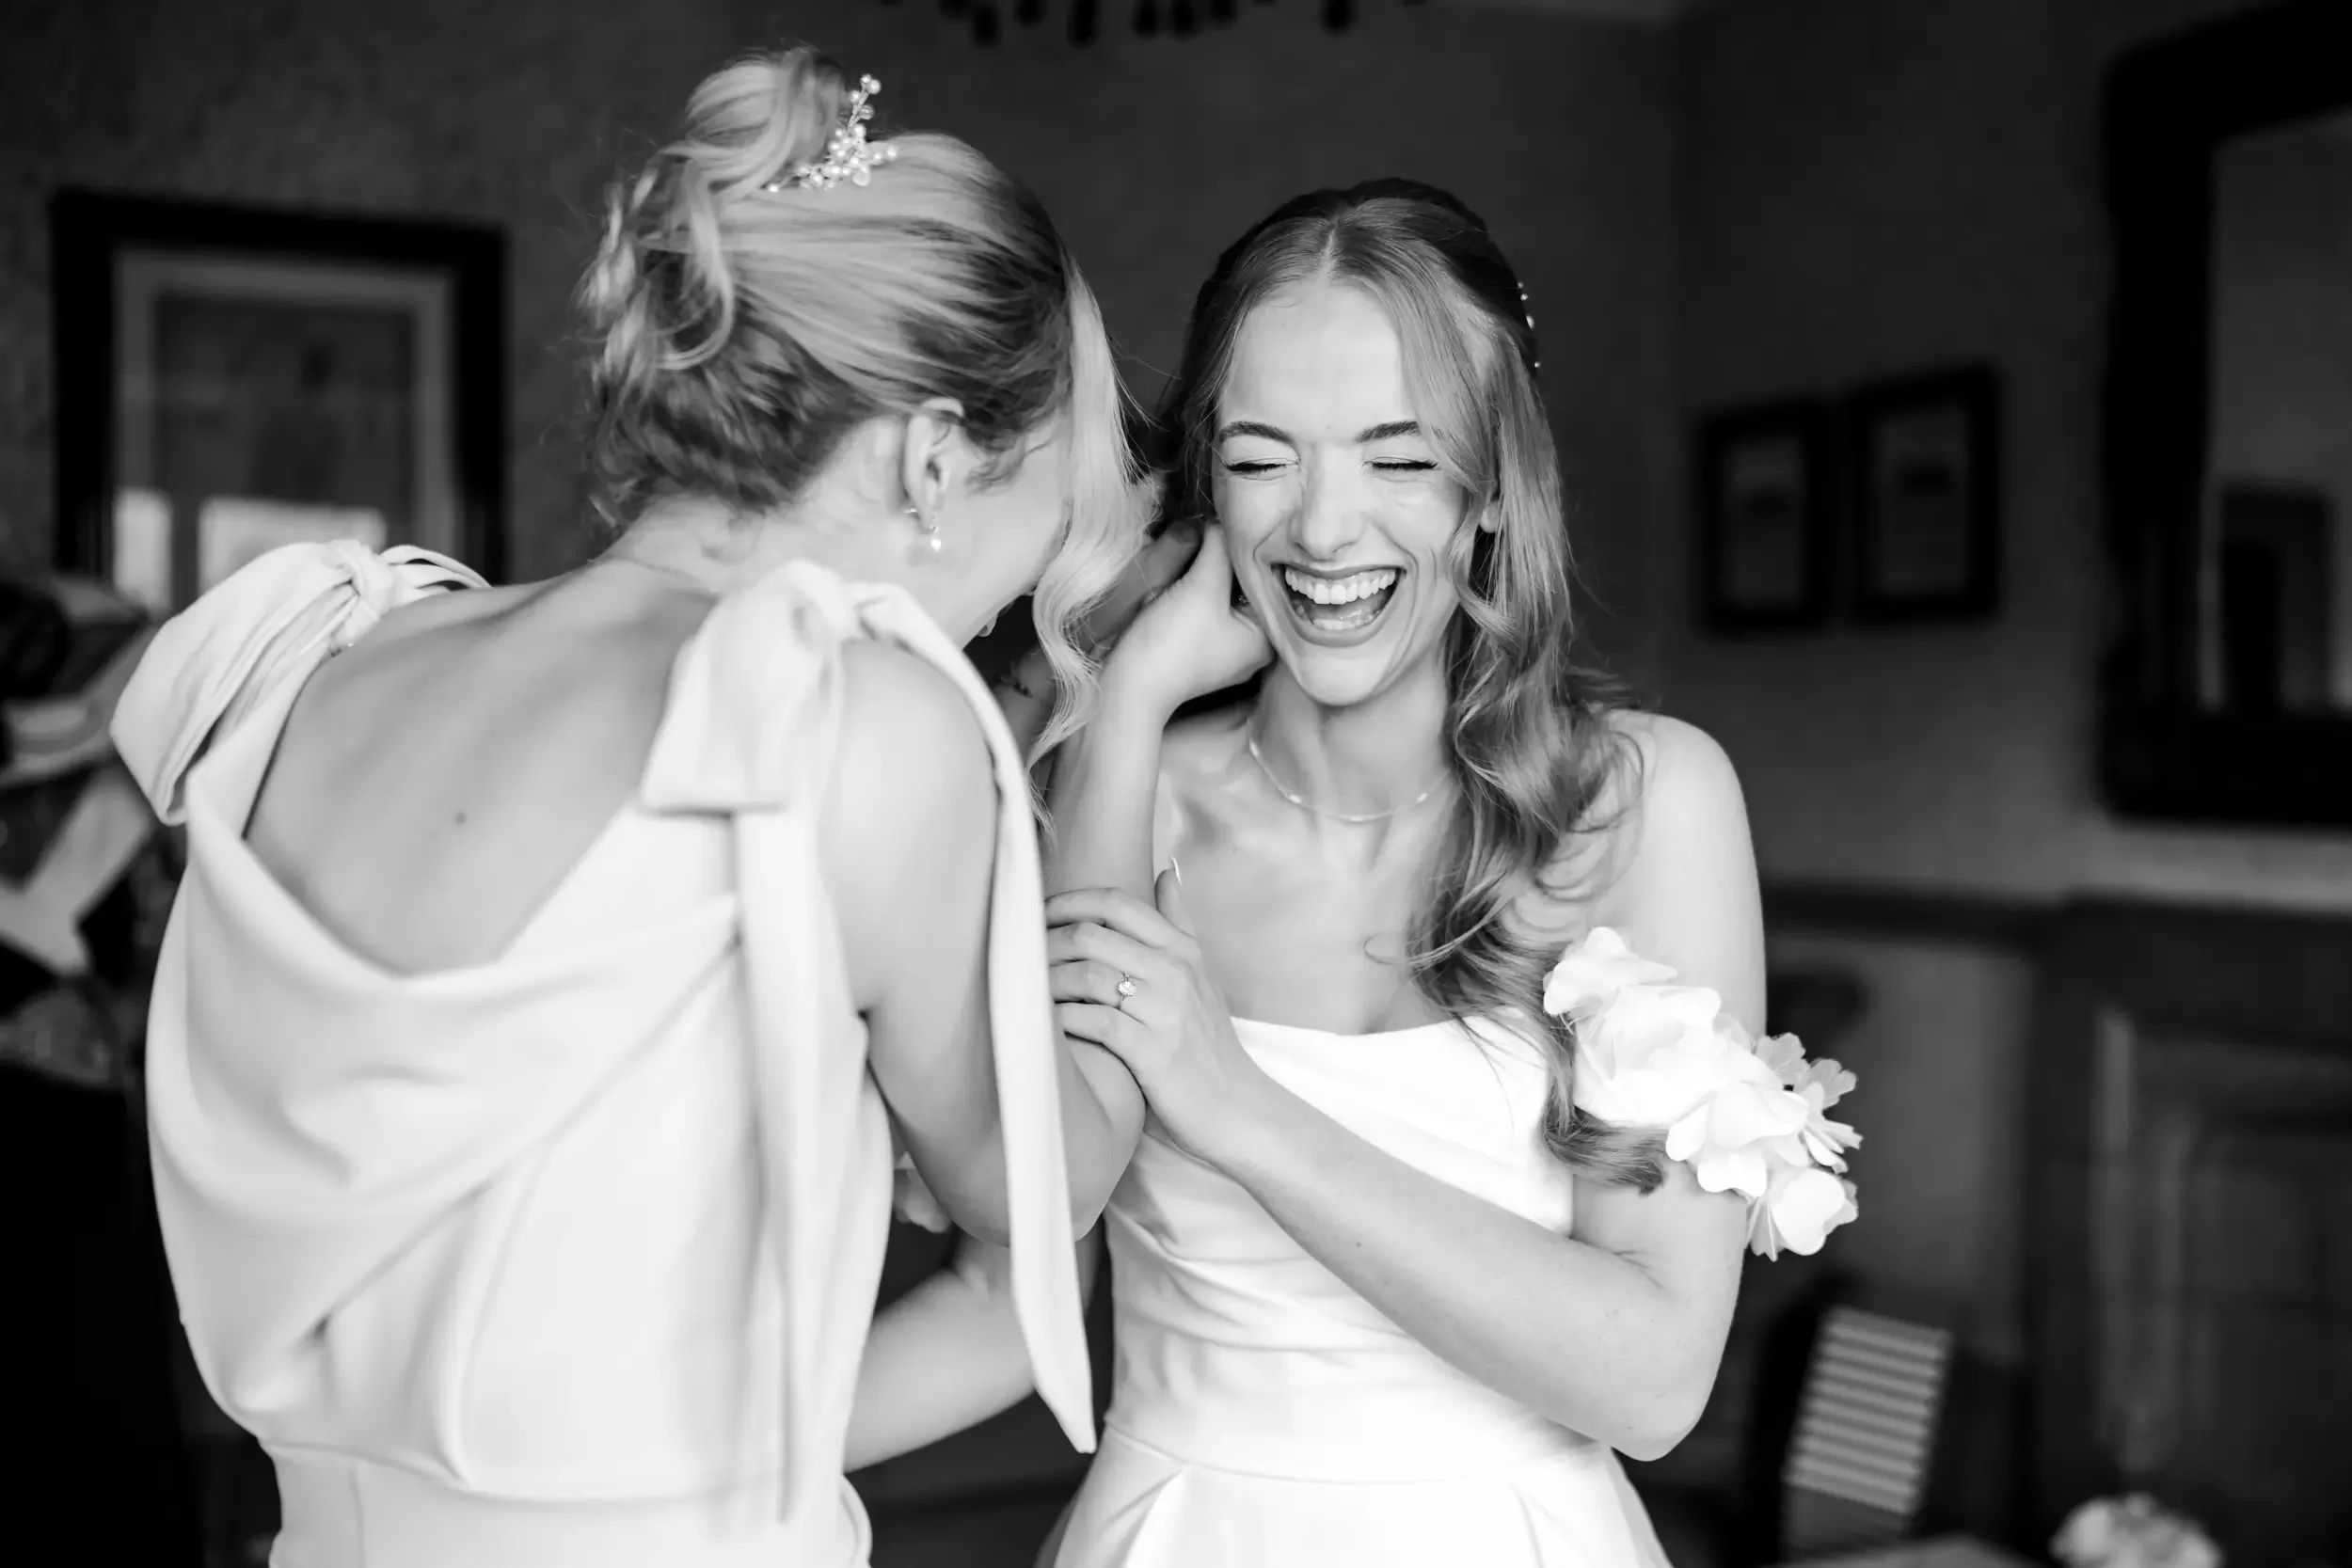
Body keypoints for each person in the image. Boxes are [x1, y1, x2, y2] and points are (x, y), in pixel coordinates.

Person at [107, 48, 1155, 1568]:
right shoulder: (851, 722)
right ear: (933, 459)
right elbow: (1054, 1184)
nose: (1007, 602)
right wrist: (1127, 716)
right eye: (1040, 524)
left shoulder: (322, 655)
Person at [1036, 180, 1864, 1565]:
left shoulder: (1643, 806)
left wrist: (1236, 1104)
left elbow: (1656, 1384)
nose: (1321, 527)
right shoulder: (1125, 795)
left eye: (1397, 456)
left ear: (1490, 490)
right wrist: (1122, 706)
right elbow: (1035, 1217)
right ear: (1206, 493)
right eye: (1260, 457)